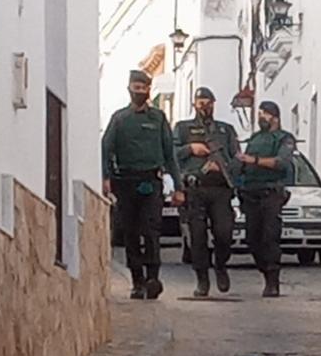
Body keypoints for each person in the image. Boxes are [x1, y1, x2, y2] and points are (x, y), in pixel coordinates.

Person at [102, 70, 182, 300]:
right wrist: (105, 177)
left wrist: (178, 187)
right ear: (129, 89)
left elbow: (170, 154)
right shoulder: (119, 119)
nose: (140, 92)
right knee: (130, 233)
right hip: (125, 182)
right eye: (136, 87)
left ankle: (153, 277)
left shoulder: (158, 118)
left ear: (149, 90)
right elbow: (106, 148)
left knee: (151, 230)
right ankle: (137, 281)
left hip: (151, 181)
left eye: (143, 88)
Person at [174, 87, 241, 297]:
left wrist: (223, 167)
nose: (205, 105)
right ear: (194, 104)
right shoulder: (183, 128)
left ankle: (220, 265)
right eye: (201, 101)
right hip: (195, 189)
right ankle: (202, 278)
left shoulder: (225, 130)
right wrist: (191, 149)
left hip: (220, 189)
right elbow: (171, 154)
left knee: (224, 233)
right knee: (197, 238)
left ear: (214, 103)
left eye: (208, 101)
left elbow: (237, 158)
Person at [236, 100, 296, 298]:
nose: (261, 117)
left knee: (270, 237)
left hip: (271, 194)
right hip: (251, 194)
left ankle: (272, 280)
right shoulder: (254, 139)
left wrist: (255, 161)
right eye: (260, 113)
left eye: (265, 114)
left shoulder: (284, 139)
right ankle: (264, 269)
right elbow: (242, 164)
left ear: (275, 117)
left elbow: (282, 162)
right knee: (252, 239)